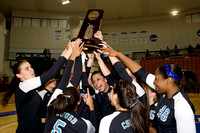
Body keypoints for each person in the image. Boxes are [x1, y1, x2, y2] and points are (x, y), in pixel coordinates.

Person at [99, 43, 197, 133]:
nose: (154, 82)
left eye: (157, 79)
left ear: (168, 81)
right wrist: (116, 54)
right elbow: (141, 73)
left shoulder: (182, 106)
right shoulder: (165, 93)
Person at [1, 39, 78, 133]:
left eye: (31, 67)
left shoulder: (31, 88)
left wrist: (67, 49)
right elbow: (52, 72)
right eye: (26, 69)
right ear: (19, 75)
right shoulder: (24, 86)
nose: (31, 70)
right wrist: (70, 51)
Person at [44, 40, 95, 133]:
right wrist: (91, 108)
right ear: (78, 102)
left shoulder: (52, 106)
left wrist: (74, 56)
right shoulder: (83, 124)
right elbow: (94, 129)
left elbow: (64, 79)